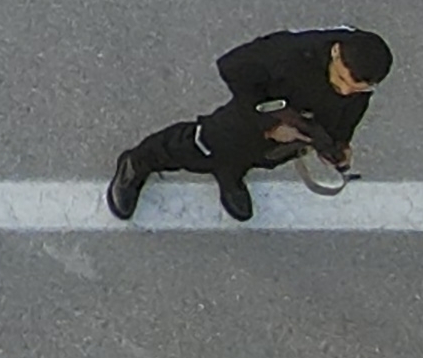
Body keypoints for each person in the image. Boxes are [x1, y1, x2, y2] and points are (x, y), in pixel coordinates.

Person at [112, 30, 387, 225]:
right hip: (254, 116)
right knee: (200, 145)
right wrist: (268, 122)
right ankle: (137, 162)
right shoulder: (287, 53)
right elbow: (232, 66)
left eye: (357, 88)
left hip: (295, 132)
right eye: (340, 79)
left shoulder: (361, 72)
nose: (344, 90)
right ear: (335, 51)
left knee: (259, 158)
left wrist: (339, 143)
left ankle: (230, 174)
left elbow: (351, 108)